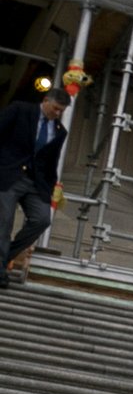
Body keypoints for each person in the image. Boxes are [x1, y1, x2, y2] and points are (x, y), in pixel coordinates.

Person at [0, 76, 72, 287]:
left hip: (35, 183)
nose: (57, 114)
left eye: (61, 111)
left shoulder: (60, 131)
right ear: (46, 101)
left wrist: (51, 188)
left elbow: (52, 162)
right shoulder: (20, 110)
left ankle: (4, 256)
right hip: (9, 175)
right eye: (56, 108)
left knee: (42, 220)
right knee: (4, 223)